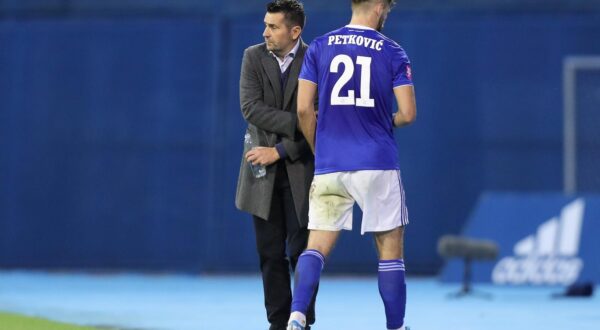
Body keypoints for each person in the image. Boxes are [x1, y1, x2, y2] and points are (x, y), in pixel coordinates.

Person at [286, 0, 416, 329]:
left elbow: (303, 110)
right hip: (377, 162)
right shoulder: (393, 51)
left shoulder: (319, 46)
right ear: (376, 5)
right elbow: (408, 114)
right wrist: (390, 121)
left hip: (331, 163)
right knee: (390, 248)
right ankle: (396, 327)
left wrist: (321, 149)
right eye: (387, 5)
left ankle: (297, 315)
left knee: (315, 246)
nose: (388, 11)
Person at [235, 1, 317, 329]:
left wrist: (280, 151)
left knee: (303, 256)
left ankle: (302, 322)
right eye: (265, 25)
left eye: (273, 26)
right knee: (270, 255)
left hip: (302, 170)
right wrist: (304, 121)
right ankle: (277, 323)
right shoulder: (252, 56)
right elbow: (251, 108)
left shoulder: (316, 59)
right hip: (260, 174)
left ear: (294, 31)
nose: (265, 32)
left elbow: (323, 120)